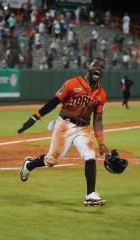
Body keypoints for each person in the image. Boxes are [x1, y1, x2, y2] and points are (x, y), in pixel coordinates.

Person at [17, 58, 110, 206]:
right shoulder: (72, 83)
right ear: (89, 67)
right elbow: (54, 102)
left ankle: (90, 194)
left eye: (102, 67)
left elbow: (98, 119)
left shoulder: (101, 93)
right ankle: (29, 165)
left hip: (83, 128)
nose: (98, 68)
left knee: (90, 156)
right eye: (95, 66)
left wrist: (102, 142)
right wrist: (36, 116)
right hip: (65, 125)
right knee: (51, 160)